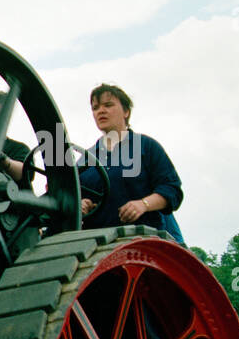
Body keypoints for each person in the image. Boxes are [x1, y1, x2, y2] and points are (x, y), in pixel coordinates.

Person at [78, 84, 183, 233]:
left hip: (143, 241)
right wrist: (80, 204)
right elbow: (73, 198)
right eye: (95, 108)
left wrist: (143, 204)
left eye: (108, 105)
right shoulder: (85, 160)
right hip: (96, 243)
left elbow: (172, 190)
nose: (101, 111)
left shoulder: (147, 147)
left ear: (126, 111)